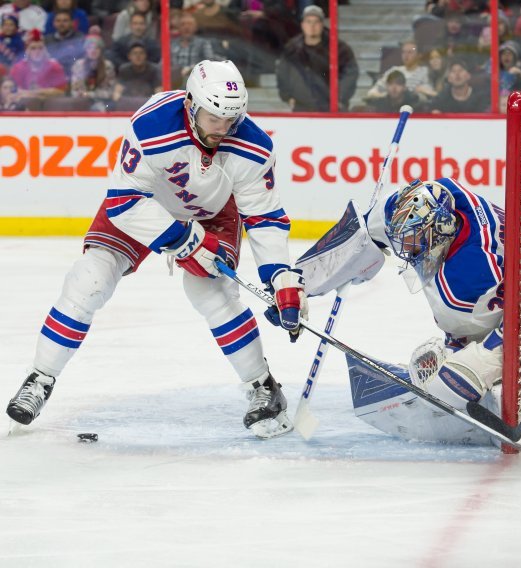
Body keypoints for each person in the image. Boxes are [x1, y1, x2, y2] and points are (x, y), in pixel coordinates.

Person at [6, 60, 307, 440]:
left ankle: (263, 387)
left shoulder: (254, 146)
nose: (223, 128)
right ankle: (40, 378)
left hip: (213, 211)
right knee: (90, 280)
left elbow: (264, 218)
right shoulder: (151, 124)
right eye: (214, 118)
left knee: (209, 290)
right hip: (142, 205)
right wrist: (183, 240)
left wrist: (280, 276)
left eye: (232, 119)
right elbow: (124, 201)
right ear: (191, 105)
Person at [356, 178, 521, 419]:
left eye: (415, 239)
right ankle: (514, 380)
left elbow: (507, 323)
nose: (409, 249)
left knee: (447, 386)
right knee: (446, 367)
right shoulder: (449, 197)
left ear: (438, 227)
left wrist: (470, 361)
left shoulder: (474, 266)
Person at [275, 5, 358, 112]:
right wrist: (287, 97)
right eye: (308, 21)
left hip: (332, 108)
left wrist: (340, 98)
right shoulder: (292, 48)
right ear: (302, 25)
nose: (312, 26)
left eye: (316, 22)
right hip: (302, 107)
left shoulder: (339, 48)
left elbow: (350, 73)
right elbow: (282, 72)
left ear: (322, 24)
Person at [9, 29, 67, 110]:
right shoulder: (18, 68)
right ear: (27, 50)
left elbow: (61, 92)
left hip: (51, 107)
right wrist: (44, 93)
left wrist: (32, 93)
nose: (37, 51)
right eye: (33, 48)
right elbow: (14, 92)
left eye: (40, 48)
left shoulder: (54, 66)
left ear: (45, 50)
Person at [70, 33, 116, 111]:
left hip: (103, 102)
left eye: (97, 48)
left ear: (101, 50)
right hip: (82, 102)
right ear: (86, 50)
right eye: (90, 48)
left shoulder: (108, 66)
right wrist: (85, 95)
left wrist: (89, 94)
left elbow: (109, 92)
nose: (93, 50)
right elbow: (75, 90)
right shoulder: (79, 65)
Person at [44, 8, 85, 76]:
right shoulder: (47, 40)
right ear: (54, 23)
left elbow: (81, 59)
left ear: (72, 23)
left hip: (75, 73)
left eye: (65, 21)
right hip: (52, 75)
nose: (61, 24)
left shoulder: (79, 38)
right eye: (58, 21)